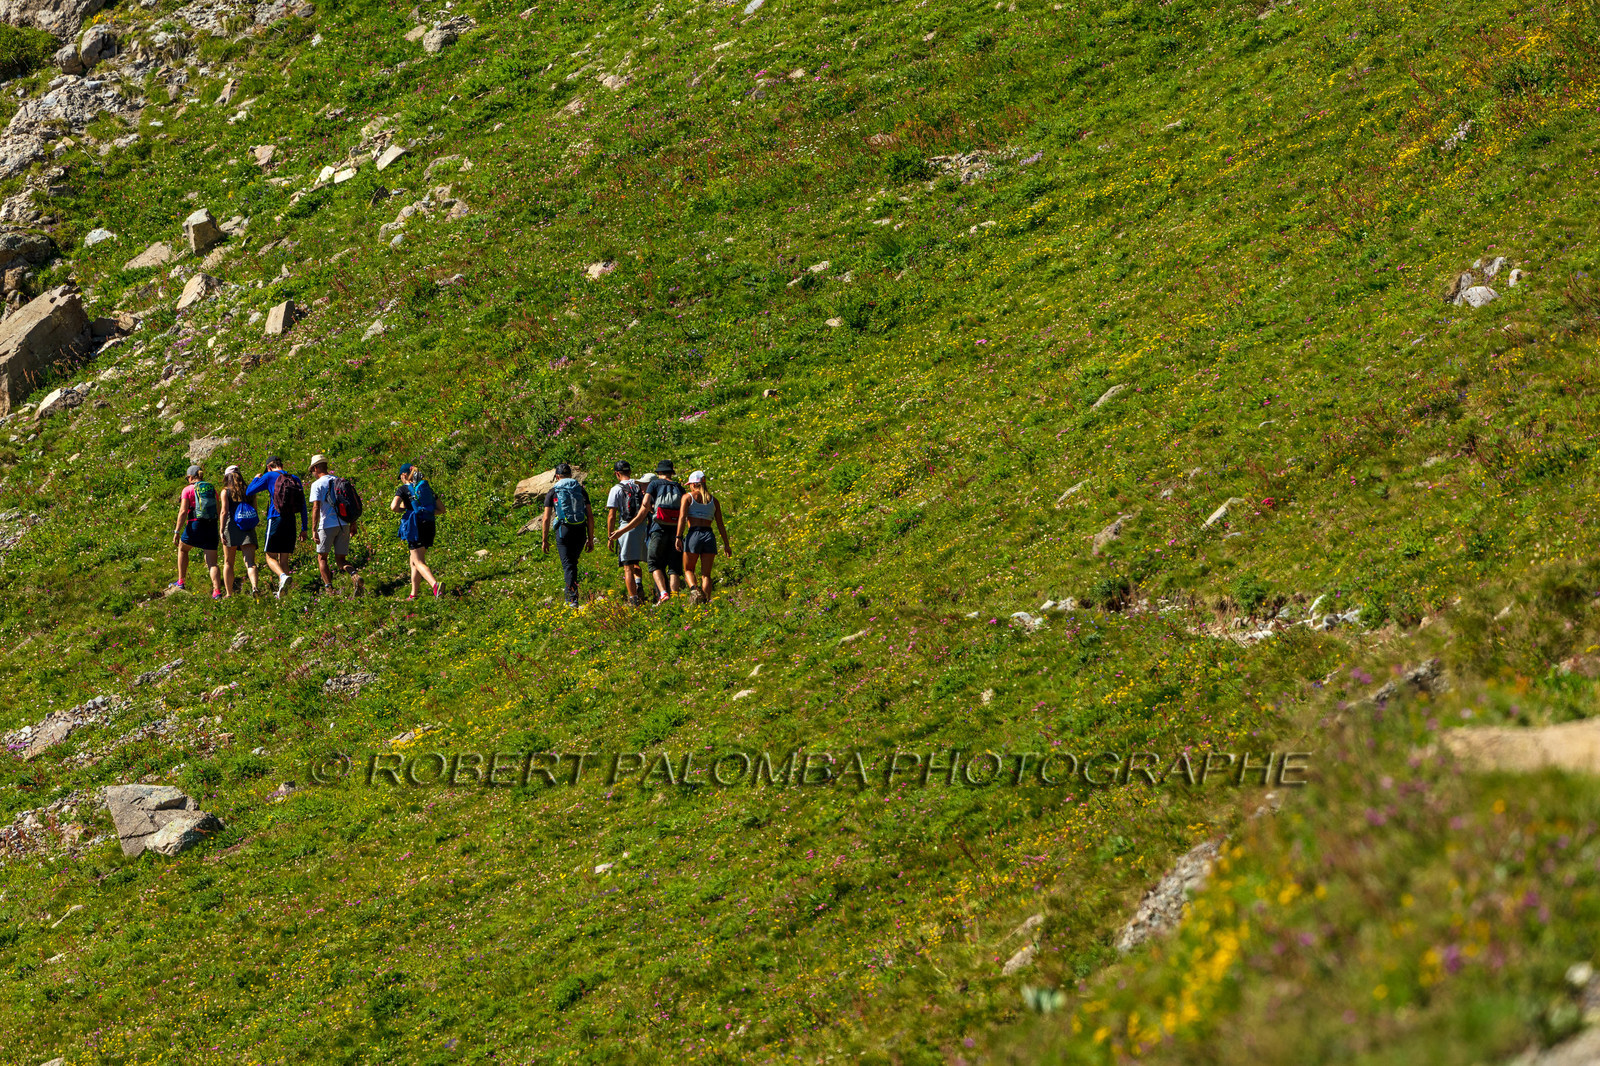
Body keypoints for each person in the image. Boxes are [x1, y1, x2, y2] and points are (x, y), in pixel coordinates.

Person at [609, 459, 685, 603]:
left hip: (658, 530)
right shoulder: (679, 487)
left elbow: (643, 508)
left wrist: (622, 530)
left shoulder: (655, 484)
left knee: (655, 564)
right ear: (671, 472)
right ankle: (675, 599)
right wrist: (680, 536)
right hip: (676, 532)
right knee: (674, 567)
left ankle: (663, 594)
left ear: (659, 473)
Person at [246, 456, 308, 598]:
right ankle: (284, 593)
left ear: (269, 467)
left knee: (270, 556)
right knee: (283, 559)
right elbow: (303, 506)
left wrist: (256, 479)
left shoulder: (269, 476)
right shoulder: (294, 478)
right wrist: (304, 528)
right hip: (291, 521)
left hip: (275, 518)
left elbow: (249, 491)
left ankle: (282, 577)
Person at [541, 462, 593, 607]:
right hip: (580, 530)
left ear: (557, 476)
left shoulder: (553, 491)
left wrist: (544, 540)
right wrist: (590, 538)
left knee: (568, 565)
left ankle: (572, 600)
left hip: (564, 531)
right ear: (570, 475)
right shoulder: (581, 490)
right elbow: (590, 516)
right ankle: (571, 595)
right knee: (572, 564)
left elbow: (546, 518)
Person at [676, 470, 732, 604]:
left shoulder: (687, 497)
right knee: (706, 574)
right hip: (709, 535)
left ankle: (695, 591)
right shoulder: (714, 501)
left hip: (694, 534)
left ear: (694, 485)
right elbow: (720, 524)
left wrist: (678, 536)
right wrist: (726, 544)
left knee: (689, 569)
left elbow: (682, 518)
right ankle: (706, 602)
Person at [390, 462, 444, 599]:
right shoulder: (426, 489)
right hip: (429, 525)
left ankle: (435, 585)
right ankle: (414, 594)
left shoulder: (403, 489)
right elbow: (441, 509)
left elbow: (393, 507)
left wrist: (405, 510)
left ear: (403, 475)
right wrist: (425, 513)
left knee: (419, 562)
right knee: (413, 561)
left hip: (415, 527)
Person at [308, 453, 360, 593]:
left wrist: (313, 529)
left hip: (326, 525)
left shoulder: (317, 485)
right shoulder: (338, 481)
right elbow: (348, 503)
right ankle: (355, 576)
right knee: (341, 560)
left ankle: (329, 589)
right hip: (344, 524)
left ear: (317, 467)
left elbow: (316, 507)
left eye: (312, 469)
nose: (312, 472)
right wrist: (353, 523)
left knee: (322, 558)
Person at [171, 464, 222, 599]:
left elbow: (183, 512)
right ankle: (217, 591)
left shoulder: (187, 490)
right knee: (212, 562)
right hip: (211, 526)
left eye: (187, 477)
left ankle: (181, 581)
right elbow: (218, 510)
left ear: (191, 477)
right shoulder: (211, 489)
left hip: (195, 524)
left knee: (182, 548)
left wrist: (177, 531)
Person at [605, 460, 647, 605]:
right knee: (636, 560)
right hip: (642, 526)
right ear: (629, 471)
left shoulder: (616, 489)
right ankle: (639, 584)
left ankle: (633, 600)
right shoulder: (639, 485)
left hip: (625, 528)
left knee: (627, 565)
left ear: (617, 474)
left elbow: (612, 515)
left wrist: (611, 536)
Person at [219, 464, 260, 597]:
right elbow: (254, 509)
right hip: (247, 526)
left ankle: (229, 593)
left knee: (228, 562)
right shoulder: (249, 490)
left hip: (231, 527)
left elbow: (224, 511)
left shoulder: (225, 492)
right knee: (250, 562)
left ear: (227, 477)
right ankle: (254, 587)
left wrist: (221, 530)